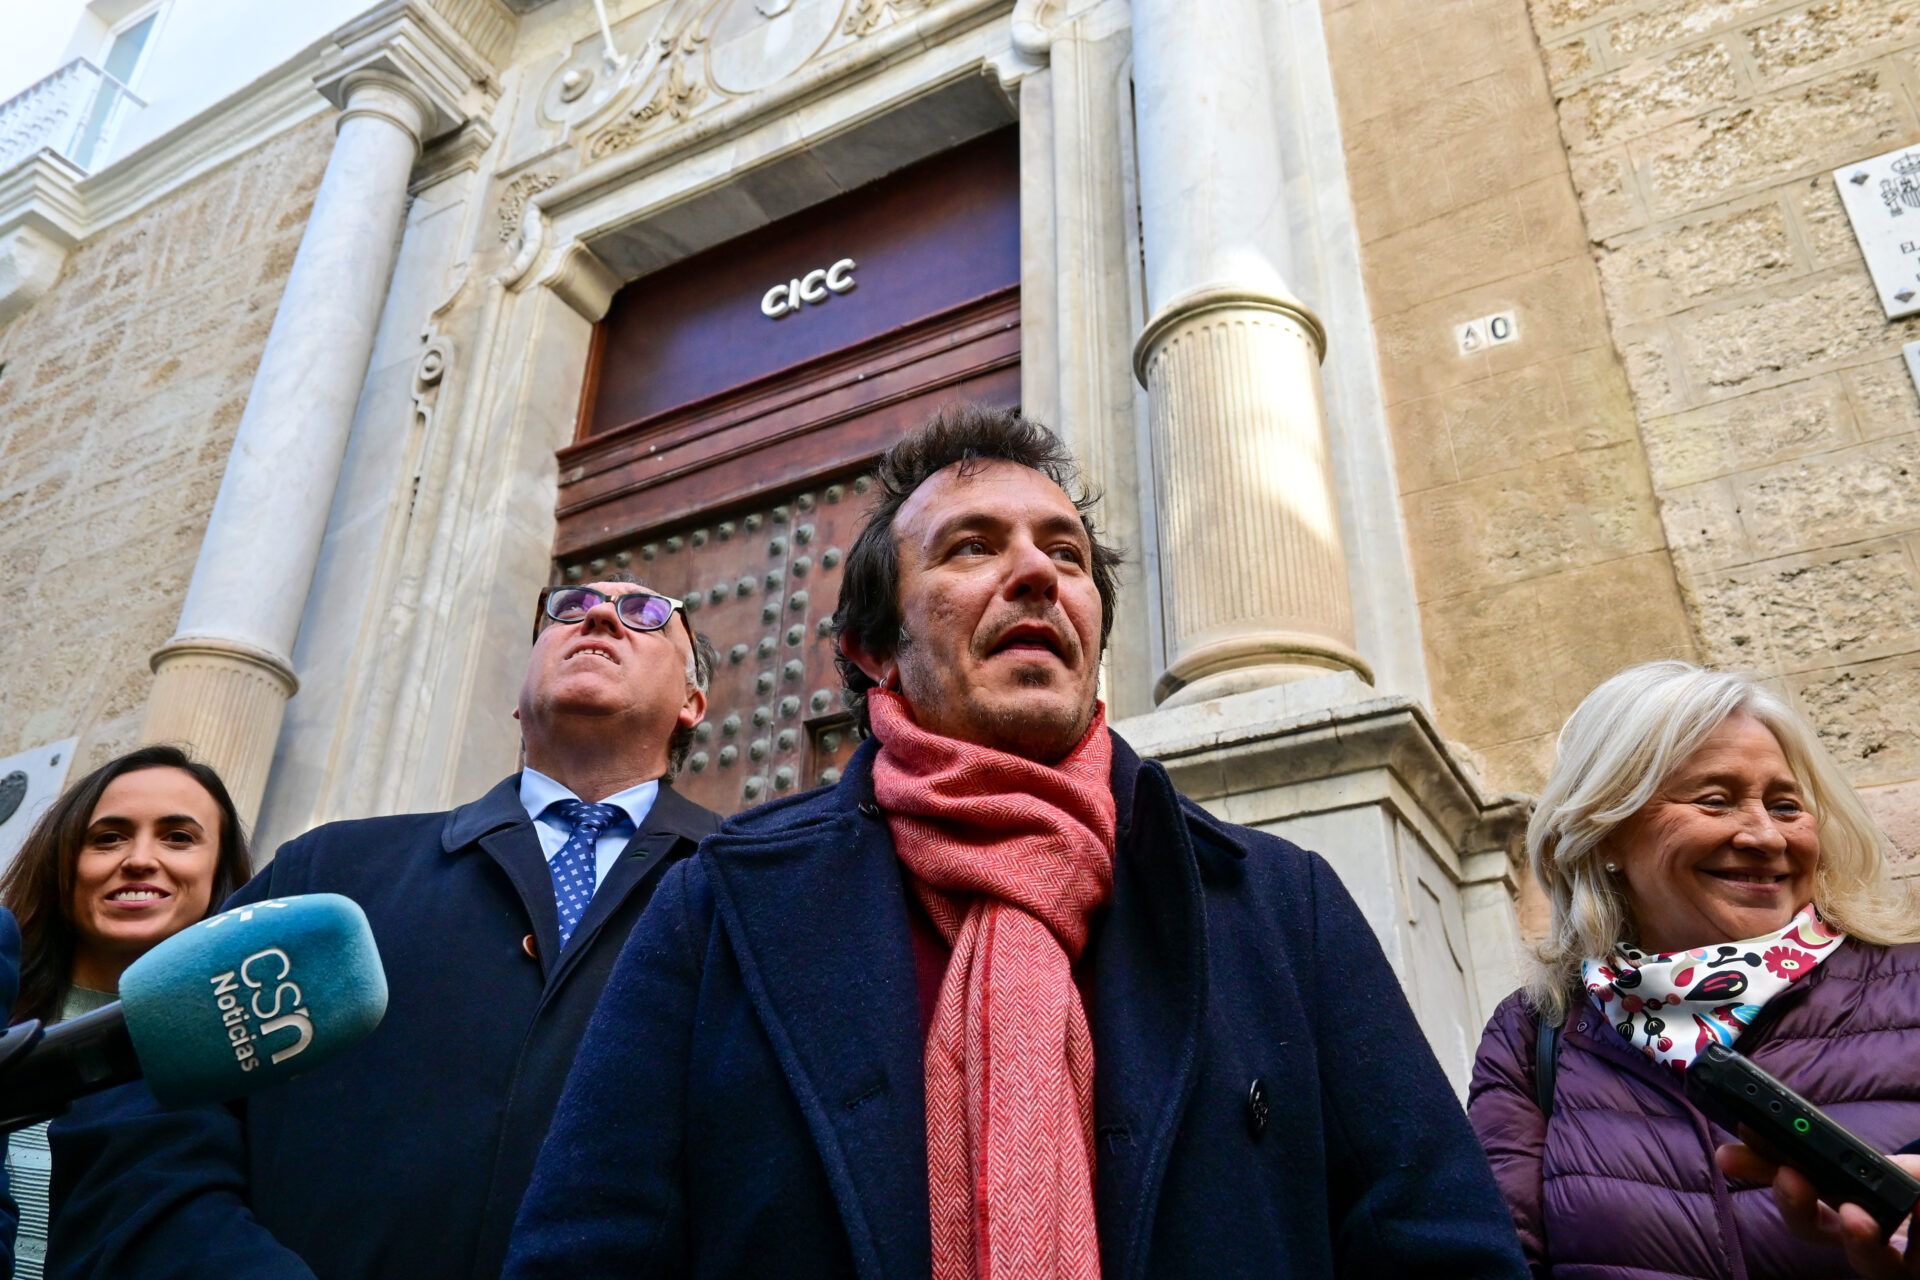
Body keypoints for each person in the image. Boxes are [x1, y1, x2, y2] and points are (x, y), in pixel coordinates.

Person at [505, 406, 1527, 1278]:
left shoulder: (1276, 903)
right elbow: (590, 1243)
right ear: (874, 650)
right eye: (971, 546)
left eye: (1065, 552)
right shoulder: (721, 902)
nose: (1035, 572)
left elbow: (1439, 1241)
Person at [50, 578, 723, 1279]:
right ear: (516, 702)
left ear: (692, 704)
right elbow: (144, 1110)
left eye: (646, 614)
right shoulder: (332, 867)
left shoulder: (753, 896)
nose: (602, 619)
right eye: (570, 610)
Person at [1468, 660, 1920, 1278]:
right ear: (1606, 836)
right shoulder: (1533, 1032)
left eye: (1787, 806)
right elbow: (1498, 1253)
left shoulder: (1909, 987)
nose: (1765, 836)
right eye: (1716, 801)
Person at [0, 746, 250, 1280]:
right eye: (107, 837)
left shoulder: (246, 1052)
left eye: (178, 837)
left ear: (219, 873)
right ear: (63, 861)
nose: (139, 858)